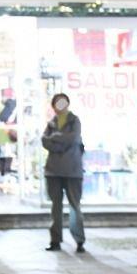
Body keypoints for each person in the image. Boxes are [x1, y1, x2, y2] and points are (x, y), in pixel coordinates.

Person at [42, 92, 86, 253]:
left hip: (72, 170)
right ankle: (55, 240)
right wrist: (60, 142)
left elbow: (73, 139)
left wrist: (56, 139)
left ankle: (79, 240)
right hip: (53, 170)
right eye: (57, 103)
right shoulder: (51, 123)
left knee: (75, 205)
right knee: (56, 207)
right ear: (53, 106)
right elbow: (45, 141)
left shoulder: (74, 121)